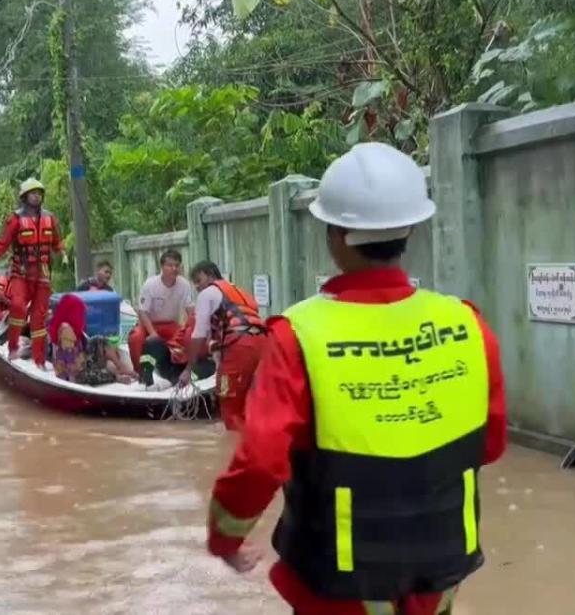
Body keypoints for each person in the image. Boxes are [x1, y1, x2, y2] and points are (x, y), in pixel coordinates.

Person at [206, 143, 507, 615]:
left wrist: (225, 535)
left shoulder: (298, 336)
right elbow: (489, 445)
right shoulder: (467, 325)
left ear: (336, 235)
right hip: (439, 575)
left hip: (340, 584)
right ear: (409, 227)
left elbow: (261, 460)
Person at [179, 261, 266, 432]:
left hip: (240, 346)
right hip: (262, 344)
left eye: (198, 280)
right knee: (250, 404)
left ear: (211, 275)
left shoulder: (208, 294)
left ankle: (232, 451)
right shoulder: (239, 291)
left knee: (229, 403)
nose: (197, 286)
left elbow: (199, 334)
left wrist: (188, 369)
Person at [0, 178, 62, 368]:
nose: (37, 196)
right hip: (21, 272)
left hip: (42, 274)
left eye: (39, 193)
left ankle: (39, 359)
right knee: (18, 307)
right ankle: (13, 346)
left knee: (39, 317)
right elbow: (3, 242)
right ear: (25, 196)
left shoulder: (50, 218)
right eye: (33, 193)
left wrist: (62, 252)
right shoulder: (15, 219)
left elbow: (56, 242)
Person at [128, 249, 194, 372]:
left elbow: (190, 308)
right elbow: (142, 312)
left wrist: (193, 327)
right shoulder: (150, 284)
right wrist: (152, 333)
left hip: (170, 324)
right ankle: (140, 372)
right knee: (135, 337)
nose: (174, 268)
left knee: (187, 335)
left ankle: (176, 369)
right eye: (170, 265)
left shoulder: (184, 284)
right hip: (148, 324)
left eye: (177, 265)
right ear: (162, 267)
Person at [49, 293, 136, 385]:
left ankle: (122, 369)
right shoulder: (66, 330)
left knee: (99, 340)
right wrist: (95, 369)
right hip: (71, 374)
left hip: (80, 362)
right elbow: (73, 368)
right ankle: (117, 377)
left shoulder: (73, 327)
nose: (82, 315)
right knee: (99, 374)